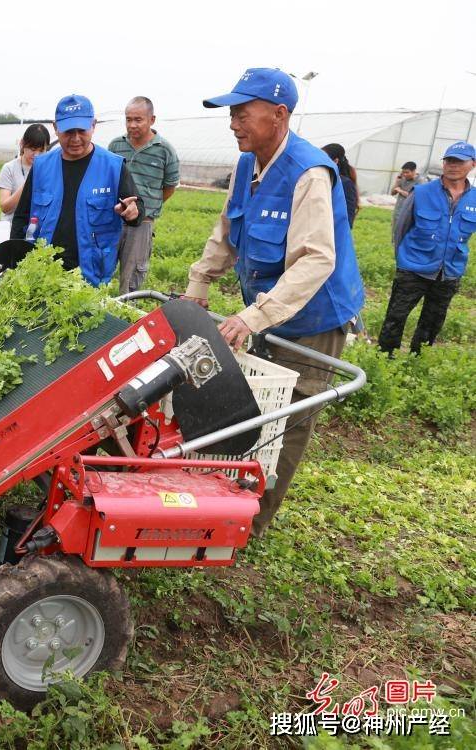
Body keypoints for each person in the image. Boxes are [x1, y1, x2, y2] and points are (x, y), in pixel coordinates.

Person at [182, 68, 364, 536]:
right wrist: (200, 282)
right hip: (268, 308)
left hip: (314, 316)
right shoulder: (247, 164)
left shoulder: (309, 172)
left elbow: (316, 259)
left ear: (279, 115)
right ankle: (225, 493)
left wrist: (254, 316)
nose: (233, 122)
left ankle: (250, 523)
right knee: (251, 398)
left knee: (290, 416)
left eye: (243, 113)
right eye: (232, 113)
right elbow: (227, 229)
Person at [9, 94, 143, 285]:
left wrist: (132, 213)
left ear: (93, 125)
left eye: (82, 130)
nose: (76, 139)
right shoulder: (41, 166)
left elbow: (137, 207)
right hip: (41, 271)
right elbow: (22, 216)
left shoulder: (113, 167)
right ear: (55, 128)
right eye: (68, 132)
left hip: (90, 276)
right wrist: (15, 262)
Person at [377, 141, 475, 355]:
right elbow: (401, 229)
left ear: (472, 164)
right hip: (414, 268)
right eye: (449, 160)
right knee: (396, 315)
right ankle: (385, 356)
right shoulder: (421, 192)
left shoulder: (474, 199)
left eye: (459, 162)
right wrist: (403, 262)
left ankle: (418, 357)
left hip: (449, 271)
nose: (453, 165)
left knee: (433, 319)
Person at [108, 96, 181, 294]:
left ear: (152, 120)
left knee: (131, 280)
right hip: (114, 220)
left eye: (138, 119)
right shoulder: (116, 146)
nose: (132, 125)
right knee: (101, 270)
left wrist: (146, 209)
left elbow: (169, 187)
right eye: (128, 119)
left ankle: (124, 320)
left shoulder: (165, 150)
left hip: (142, 224)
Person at [0, 123, 50, 224]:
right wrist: (28, 183)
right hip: (12, 229)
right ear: (22, 144)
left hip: (39, 229)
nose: (37, 155)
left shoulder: (49, 169)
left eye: (42, 150)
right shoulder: (9, 168)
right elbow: (5, 207)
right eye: (32, 149)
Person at [321, 143, 359, 228]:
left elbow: (348, 218)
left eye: (323, 158)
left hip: (333, 233)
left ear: (335, 161)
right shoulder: (320, 178)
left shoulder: (345, 184)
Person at [390, 161, 427, 244]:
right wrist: (397, 182)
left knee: (407, 231)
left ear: (414, 171)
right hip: (398, 210)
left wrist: (400, 190)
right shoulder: (402, 179)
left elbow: (416, 196)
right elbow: (392, 193)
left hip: (410, 212)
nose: (405, 174)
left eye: (407, 172)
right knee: (395, 230)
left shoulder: (420, 181)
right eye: (403, 172)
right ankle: (396, 246)